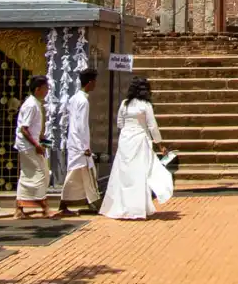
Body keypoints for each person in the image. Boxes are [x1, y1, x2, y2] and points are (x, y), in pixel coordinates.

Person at [100, 76, 171, 220]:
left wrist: (127, 131)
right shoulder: (145, 105)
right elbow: (152, 126)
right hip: (140, 139)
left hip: (126, 140)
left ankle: (122, 206)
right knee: (140, 173)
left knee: (124, 174)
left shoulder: (124, 104)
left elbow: (120, 123)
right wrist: (160, 144)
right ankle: (139, 208)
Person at [59, 68, 101, 216]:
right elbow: (82, 125)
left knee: (81, 174)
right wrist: (85, 147)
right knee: (86, 173)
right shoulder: (83, 101)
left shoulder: (74, 98)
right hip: (79, 145)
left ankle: (90, 202)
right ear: (90, 83)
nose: (95, 84)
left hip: (74, 142)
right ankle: (68, 203)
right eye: (95, 82)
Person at [14, 75, 53, 219]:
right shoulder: (31, 104)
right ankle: (44, 207)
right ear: (38, 89)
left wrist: (41, 138)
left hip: (30, 144)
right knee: (41, 173)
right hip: (28, 146)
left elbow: (31, 127)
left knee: (29, 174)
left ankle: (20, 208)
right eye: (45, 88)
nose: (47, 90)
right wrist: (36, 144)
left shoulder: (35, 103)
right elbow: (24, 129)